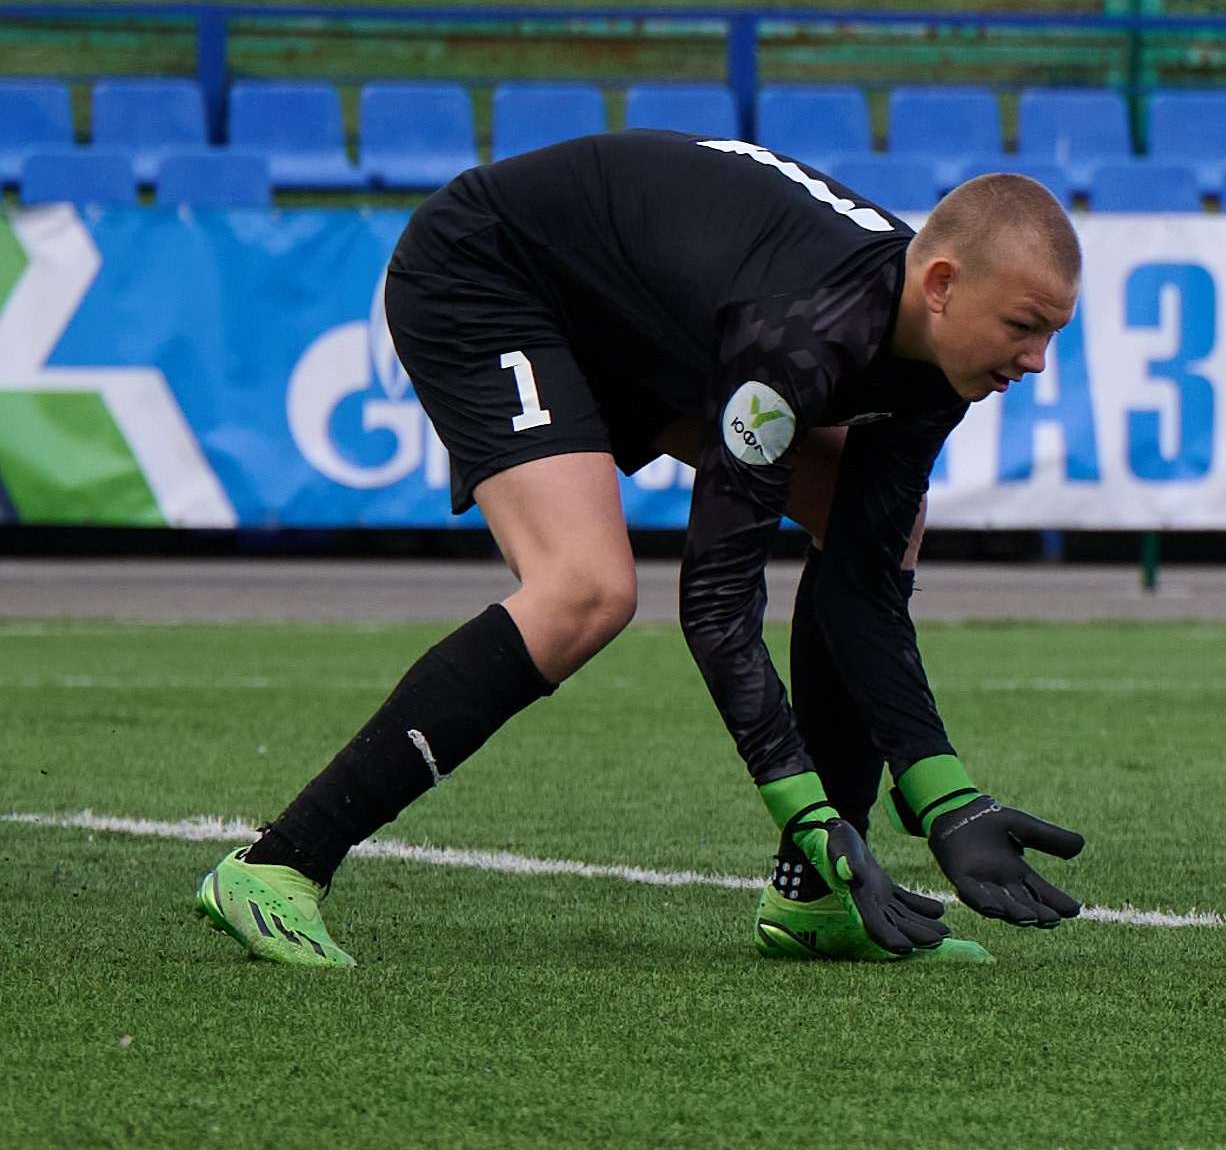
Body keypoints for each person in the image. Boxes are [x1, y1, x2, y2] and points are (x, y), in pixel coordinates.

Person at [194, 133, 1087, 967]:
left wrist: (946, 798)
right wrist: (805, 804)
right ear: (939, 285)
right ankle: (278, 865)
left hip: (650, 323)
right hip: (493, 270)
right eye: (1025, 326)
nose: (1038, 360)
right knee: (585, 589)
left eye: (1053, 333)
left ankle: (814, 900)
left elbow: (861, 584)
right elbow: (716, 605)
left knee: (884, 534)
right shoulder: (798, 336)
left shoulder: (937, 358)